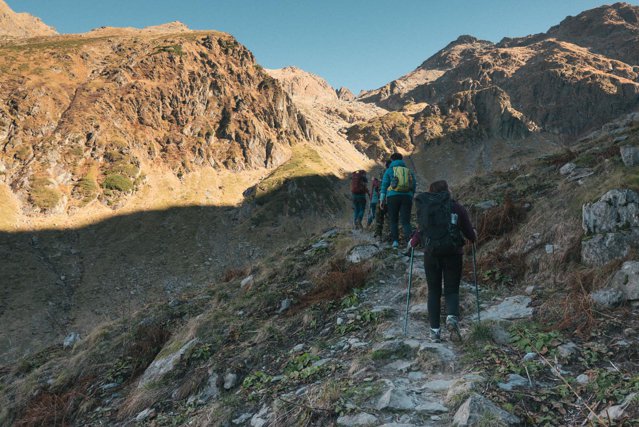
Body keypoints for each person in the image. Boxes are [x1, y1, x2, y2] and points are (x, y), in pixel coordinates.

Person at [414, 180, 476, 342]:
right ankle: (451, 318)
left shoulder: (426, 208)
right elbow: (470, 234)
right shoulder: (457, 208)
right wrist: (472, 236)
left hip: (431, 254)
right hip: (453, 253)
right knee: (452, 289)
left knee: (433, 292)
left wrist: (412, 243)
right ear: (447, 190)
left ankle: (434, 332)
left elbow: (420, 231)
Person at [379, 153, 417, 249]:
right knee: (406, 221)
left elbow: (384, 186)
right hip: (407, 197)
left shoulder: (389, 170)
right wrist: (411, 195)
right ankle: (409, 242)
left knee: (393, 220)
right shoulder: (408, 171)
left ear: (392, 160)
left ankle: (395, 242)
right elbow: (413, 184)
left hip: (393, 197)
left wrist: (381, 200)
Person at [374, 160, 392, 240]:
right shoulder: (394, 172)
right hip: (391, 197)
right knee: (389, 217)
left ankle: (378, 235)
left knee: (379, 216)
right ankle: (388, 235)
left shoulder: (383, 172)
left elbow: (379, 186)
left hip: (382, 197)